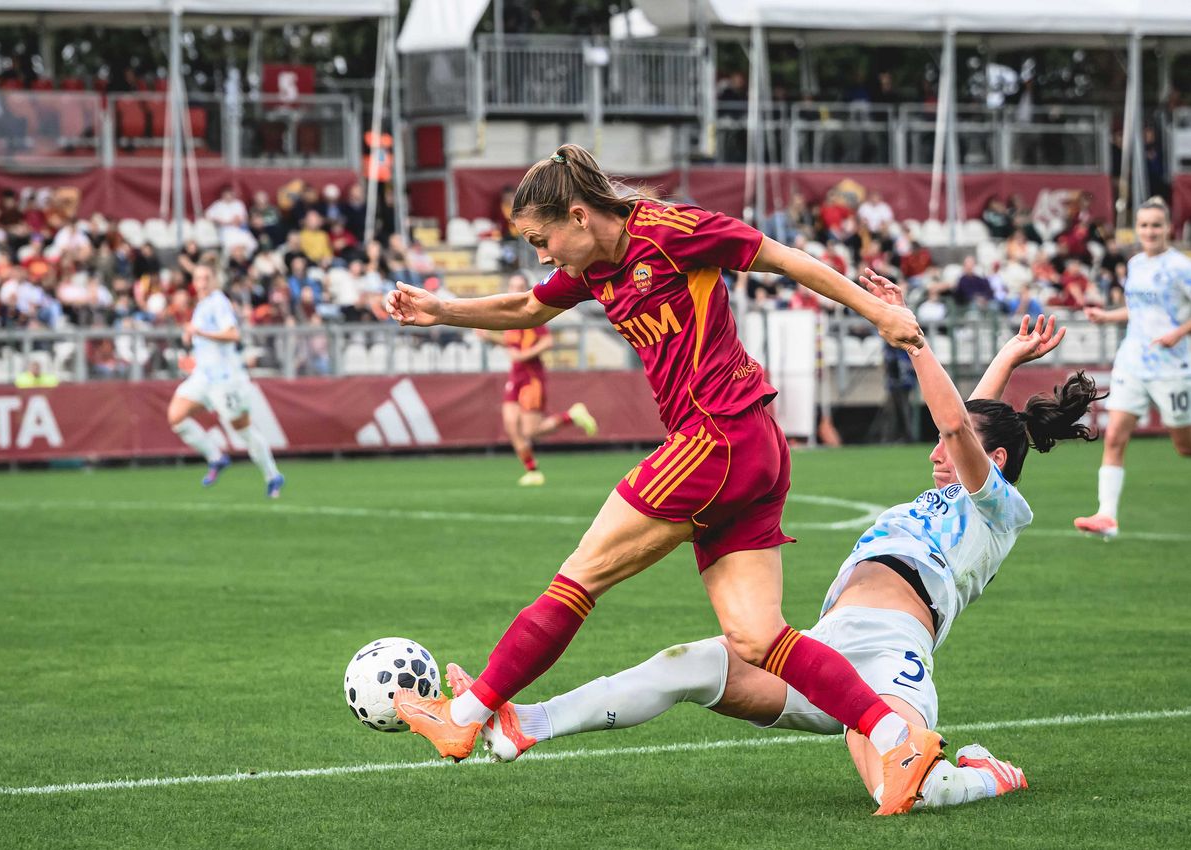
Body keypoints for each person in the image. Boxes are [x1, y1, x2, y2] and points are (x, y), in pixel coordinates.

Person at [386, 144, 940, 816]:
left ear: (580, 216)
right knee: (757, 640)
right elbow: (526, 310)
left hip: (715, 438)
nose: (541, 255)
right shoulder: (594, 267)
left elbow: (783, 258)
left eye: (542, 239)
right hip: (750, 448)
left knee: (580, 576)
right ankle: (894, 737)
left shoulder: (672, 232)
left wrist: (878, 313)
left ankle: (467, 714)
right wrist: (441, 309)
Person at [449, 303, 1098, 814]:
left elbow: (960, 427)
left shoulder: (996, 507)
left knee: (906, 794)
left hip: (891, 663)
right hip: (824, 653)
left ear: (997, 463)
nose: (933, 452)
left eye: (946, 447)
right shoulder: (951, 486)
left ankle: (988, 775)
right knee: (689, 664)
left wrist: (915, 342)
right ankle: (525, 722)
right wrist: (1009, 356)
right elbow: (962, 424)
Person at [1075, 197, 1191, 540]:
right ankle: (1106, 516)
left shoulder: (1180, 267)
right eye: (1144, 225)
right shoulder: (1137, 263)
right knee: (1114, 436)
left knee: (1184, 447)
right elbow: (1136, 310)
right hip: (1133, 362)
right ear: (1136, 229)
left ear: (1168, 227)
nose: (1150, 231)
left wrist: (1178, 333)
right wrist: (1105, 316)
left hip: (1173, 367)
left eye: (1156, 224)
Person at [166, 263, 285, 498]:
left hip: (225, 380)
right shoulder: (201, 305)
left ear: (214, 280)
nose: (202, 282)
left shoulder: (219, 302)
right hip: (203, 377)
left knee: (244, 431)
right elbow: (204, 340)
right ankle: (216, 457)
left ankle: (272, 475)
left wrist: (200, 333)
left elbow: (233, 334)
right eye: (198, 278)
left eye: (206, 278)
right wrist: (191, 338)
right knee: (176, 416)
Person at [475, 272, 600, 486]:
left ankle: (572, 415)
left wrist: (523, 355)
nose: (515, 289)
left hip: (531, 375)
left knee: (531, 430)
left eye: (520, 286)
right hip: (516, 374)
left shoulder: (530, 316)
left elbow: (547, 341)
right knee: (510, 425)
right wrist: (491, 338)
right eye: (513, 285)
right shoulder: (510, 318)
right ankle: (532, 470)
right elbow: (512, 344)